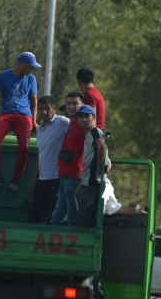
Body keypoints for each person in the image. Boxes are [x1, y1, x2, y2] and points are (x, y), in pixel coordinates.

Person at [0, 51, 41, 192]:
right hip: (7, 113)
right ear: (22, 64)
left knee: (24, 146)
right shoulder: (3, 76)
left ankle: (16, 179)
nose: (32, 70)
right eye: (30, 66)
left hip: (24, 115)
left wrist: (34, 120)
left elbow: (34, 100)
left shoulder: (31, 78)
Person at [27, 96, 70, 224]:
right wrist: (34, 180)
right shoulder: (40, 129)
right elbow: (41, 156)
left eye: (47, 108)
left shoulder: (63, 122)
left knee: (52, 216)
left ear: (54, 109)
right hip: (42, 180)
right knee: (36, 217)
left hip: (57, 178)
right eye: (41, 109)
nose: (44, 112)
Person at [51, 92, 86, 225]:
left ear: (82, 105)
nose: (71, 106)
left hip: (76, 173)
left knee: (72, 211)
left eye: (75, 103)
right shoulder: (72, 123)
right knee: (61, 207)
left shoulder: (83, 124)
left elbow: (97, 141)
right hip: (65, 172)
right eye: (69, 103)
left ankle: (73, 236)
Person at [74, 105, 107, 227]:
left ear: (93, 117)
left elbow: (102, 146)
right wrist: (81, 184)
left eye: (87, 116)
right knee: (85, 219)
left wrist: (99, 164)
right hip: (88, 183)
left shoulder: (94, 131)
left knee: (83, 221)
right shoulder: (88, 134)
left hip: (93, 184)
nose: (83, 120)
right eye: (80, 117)